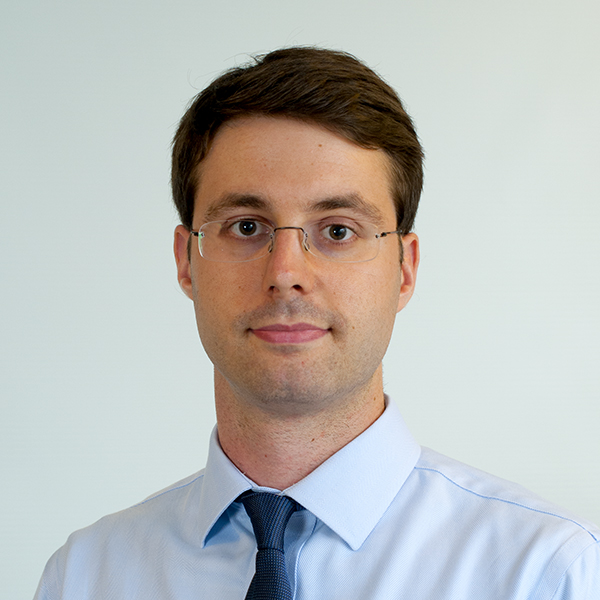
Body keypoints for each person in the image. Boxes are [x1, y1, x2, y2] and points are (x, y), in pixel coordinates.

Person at [34, 47, 599, 600]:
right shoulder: (84, 579)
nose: (285, 274)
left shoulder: (548, 576)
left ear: (404, 269)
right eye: (246, 227)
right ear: (186, 261)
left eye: (337, 230)